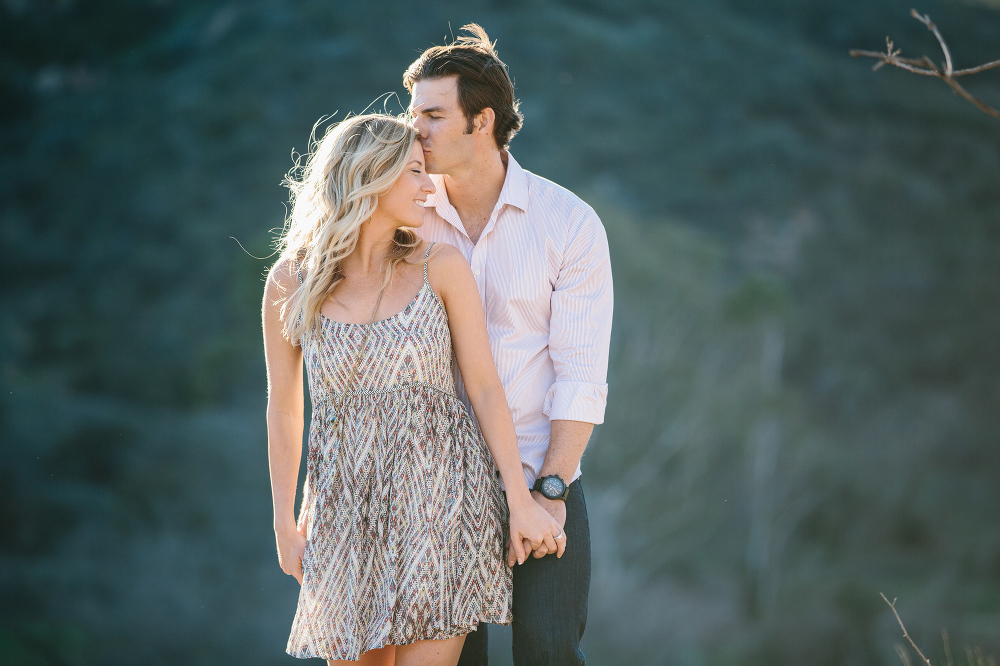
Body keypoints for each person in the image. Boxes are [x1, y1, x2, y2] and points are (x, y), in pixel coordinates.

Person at [262, 113, 565, 666]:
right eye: (414, 173)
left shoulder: (440, 266)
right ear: (368, 178)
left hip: (443, 503)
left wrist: (519, 503)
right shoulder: (291, 281)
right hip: (346, 510)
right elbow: (283, 409)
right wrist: (285, 523)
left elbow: (484, 387)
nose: (430, 187)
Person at [404, 24, 614, 666]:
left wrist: (549, 492)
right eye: (412, 116)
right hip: (434, 489)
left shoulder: (568, 224)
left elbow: (580, 377)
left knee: (548, 653)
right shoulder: (402, 219)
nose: (415, 133)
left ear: (482, 121)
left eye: (433, 116)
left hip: (540, 475)